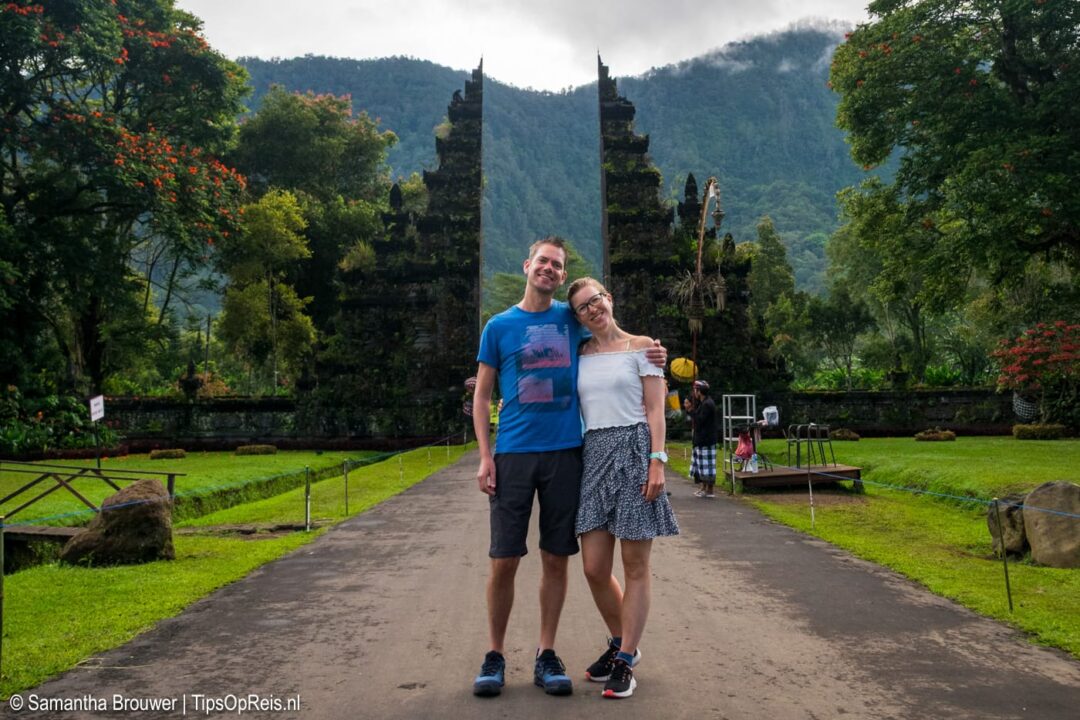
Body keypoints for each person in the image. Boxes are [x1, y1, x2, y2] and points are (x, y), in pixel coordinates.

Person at [471, 237, 666, 698]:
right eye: (543, 261)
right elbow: (482, 396)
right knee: (504, 559)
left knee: (556, 558)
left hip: (567, 454)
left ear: (562, 276)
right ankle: (495, 654)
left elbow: (615, 340)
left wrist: (654, 352)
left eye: (557, 265)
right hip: (514, 453)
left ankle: (547, 653)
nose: (549, 269)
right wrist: (485, 455)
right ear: (527, 265)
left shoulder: (570, 319)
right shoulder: (498, 326)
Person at [568, 277, 679, 699]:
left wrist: (657, 461)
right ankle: (621, 642)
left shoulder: (643, 348)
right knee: (594, 567)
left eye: (595, 300)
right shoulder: (579, 354)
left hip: (635, 450)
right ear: (578, 318)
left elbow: (655, 409)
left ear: (609, 299)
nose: (592, 309)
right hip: (594, 453)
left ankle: (626, 659)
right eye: (582, 307)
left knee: (634, 564)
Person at [683, 379, 718, 497]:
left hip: (706, 439)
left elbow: (700, 420)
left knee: (707, 466)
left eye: (695, 390)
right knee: (701, 465)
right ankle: (703, 488)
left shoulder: (707, 404)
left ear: (699, 391)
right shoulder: (703, 403)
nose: (694, 392)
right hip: (702, 439)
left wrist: (690, 411)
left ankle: (709, 490)